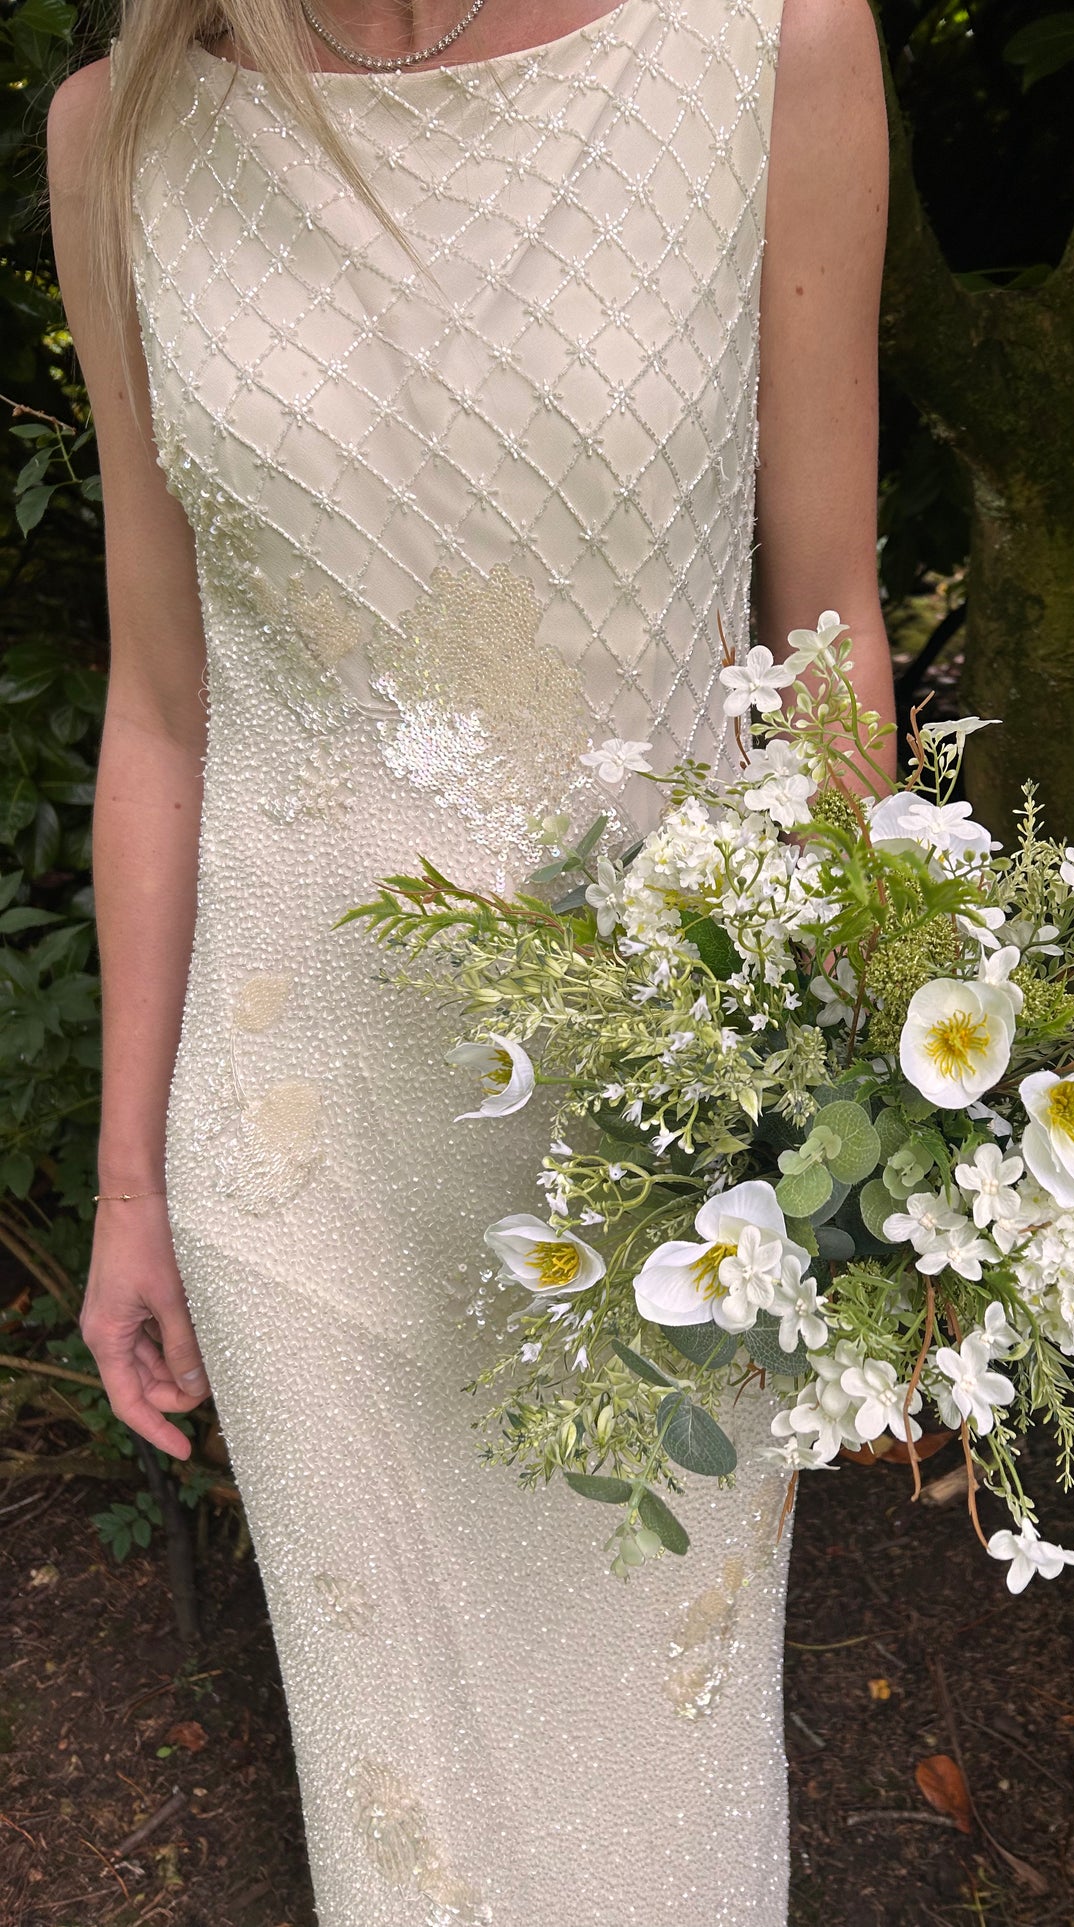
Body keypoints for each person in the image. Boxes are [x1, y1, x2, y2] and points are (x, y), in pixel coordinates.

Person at [48, 0, 891, 1914]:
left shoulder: (773, 45)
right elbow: (164, 708)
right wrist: (129, 1192)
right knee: (403, 1805)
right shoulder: (124, 136)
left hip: (667, 1138)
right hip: (306, 1147)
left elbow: (827, 625)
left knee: (663, 1794)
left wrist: (845, 1098)